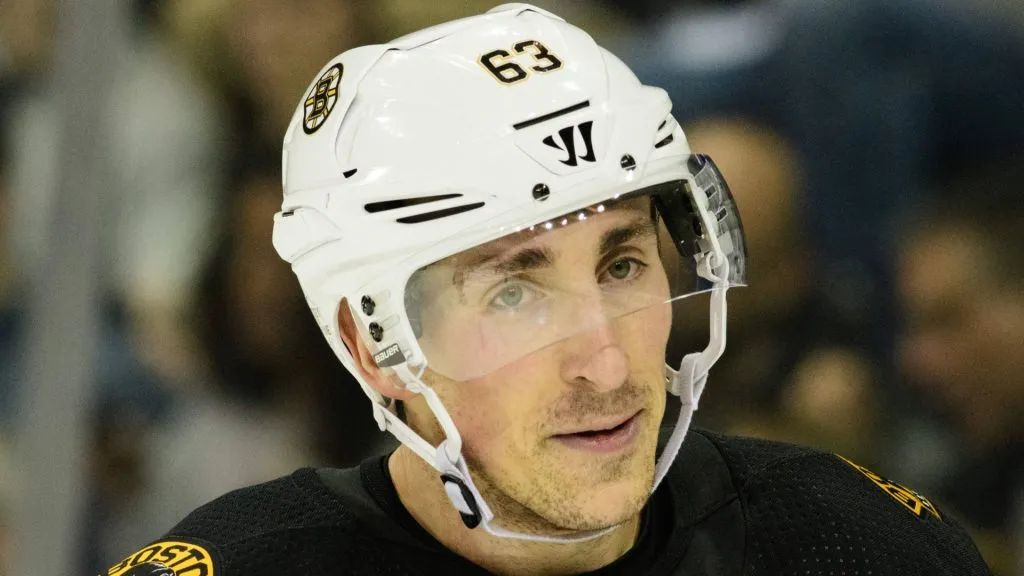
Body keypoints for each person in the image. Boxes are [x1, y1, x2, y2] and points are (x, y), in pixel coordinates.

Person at [105, 5, 990, 575]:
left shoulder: (852, 542)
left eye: (622, 266)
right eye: (514, 296)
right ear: (377, 345)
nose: (606, 362)